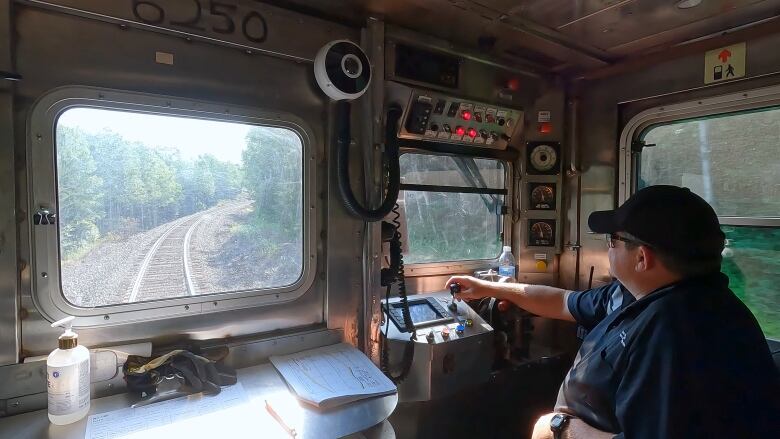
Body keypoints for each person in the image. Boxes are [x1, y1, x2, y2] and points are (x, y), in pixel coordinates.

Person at [446, 185, 780, 439]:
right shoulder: (642, 294)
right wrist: (489, 287)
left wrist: (560, 428)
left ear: (642, 258)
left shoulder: (675, 332)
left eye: (614, 239)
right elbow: (563, 302)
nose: (608, 246)